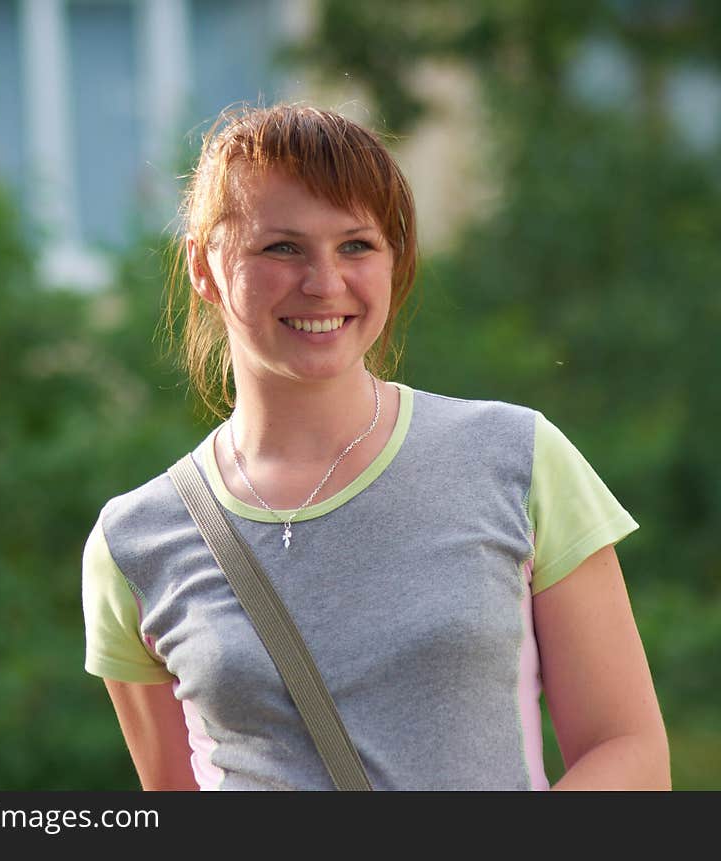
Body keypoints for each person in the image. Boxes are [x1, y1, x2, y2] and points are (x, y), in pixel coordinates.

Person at [81, 103, 670, 791]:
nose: (324, 282)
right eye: (282, 247)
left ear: (394, 261)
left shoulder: (516, 458)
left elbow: (628, 751)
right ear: (204, 267)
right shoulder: (135, 541)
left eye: (356, 245)